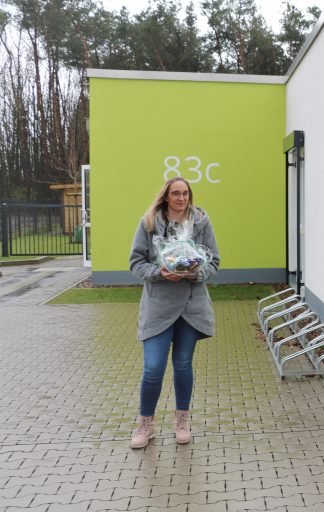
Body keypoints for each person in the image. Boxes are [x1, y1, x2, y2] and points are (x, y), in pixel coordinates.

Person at [128, 177, 220, 448]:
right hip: (158, 306)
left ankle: (182, 421)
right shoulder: (148, 223)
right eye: (175, 193)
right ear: (166, 197)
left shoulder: (201, 221)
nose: (181, 198)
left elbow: (214, 260)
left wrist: (197, 273)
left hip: (190, 307)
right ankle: (146, 425)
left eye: (185, 193)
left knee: (182, 365)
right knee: (153, 367)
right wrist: (160, 272)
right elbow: (136, 263)